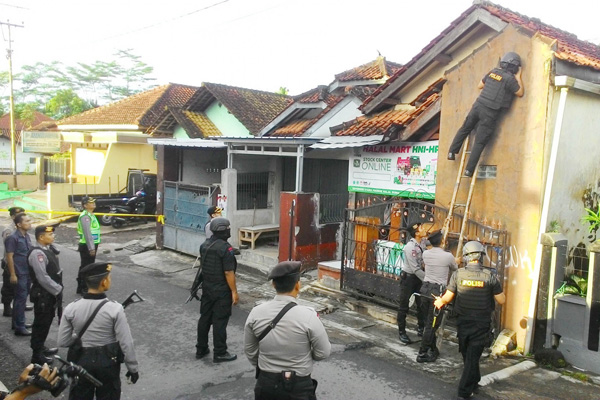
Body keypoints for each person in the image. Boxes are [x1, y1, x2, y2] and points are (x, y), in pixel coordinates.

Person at [244, 261, 331, 400]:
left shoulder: (255, 313)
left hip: (266, 383)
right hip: (299, 386)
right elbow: (323, 352)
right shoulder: (309, 316)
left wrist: (266, 364)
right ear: (298, 285)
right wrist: (304, 357)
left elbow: (250, 350)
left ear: (273, 284)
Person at [434, 241, 505, 400]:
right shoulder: (489, 276)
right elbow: (501, 300)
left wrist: (440, 302)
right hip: (481, 324)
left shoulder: (458, 274)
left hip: (463, 323)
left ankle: (473, 382)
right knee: (472, 356)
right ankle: (465, 390)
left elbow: (448, 297)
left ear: (466, 257)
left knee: (469, 354)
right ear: (481, 256)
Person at [58, 262, 139, 400]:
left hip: (81, 362)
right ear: (104, 282)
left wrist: (78, 336)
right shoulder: (115, 309)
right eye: (109, 277)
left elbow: (63, 341)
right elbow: (126, 342)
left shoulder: (71, 308)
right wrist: (133, 368)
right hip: (108, 362)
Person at [448, 52, 524, 177]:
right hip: (490, 112)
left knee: (465, 128)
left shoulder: (493, 72)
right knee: (479, 142)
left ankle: (452, 152)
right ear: (514, 67)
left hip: (478, 106)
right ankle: (468, 171)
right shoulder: (510, 79)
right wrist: (519, 77)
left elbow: (480, 86)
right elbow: (520, 92)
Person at [196, 217, 239, 362]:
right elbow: (228, 272)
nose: (229, 230)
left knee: (205, 319)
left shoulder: (204, 245)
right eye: (228, 228)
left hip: (207, 288)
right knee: (220, 321)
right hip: (221, 291)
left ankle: (201, 349)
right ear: (224, 230)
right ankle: (220, 352)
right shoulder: (225, 249)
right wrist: (234, 291)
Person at [416, 230, 457, 363]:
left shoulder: (426, 254)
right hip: (437, 293)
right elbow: (455, 268)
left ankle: (433, 349)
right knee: (432, 325)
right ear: (442, 242)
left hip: (425, 290)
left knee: (429, 322)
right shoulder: (448, 256)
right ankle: (422, 353)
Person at [28, 224, 63, 365]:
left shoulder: (47, 249)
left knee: (46, 322)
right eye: (50, 235)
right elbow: (42, 277)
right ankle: (36, 355)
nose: (53, 236)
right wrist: (58, 289)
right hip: (43, 295)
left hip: (49, 294)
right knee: (41, 324)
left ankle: (41, 347)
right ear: (41, 237)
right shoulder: (37, 254)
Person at [397, 221, 426, 344]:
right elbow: (415, 268)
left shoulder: (423, 242)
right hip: (409, 279)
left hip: (419, 278)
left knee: (421, 304)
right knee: (404, 306)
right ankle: (402, 332)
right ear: (417, 233)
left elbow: (437, 239)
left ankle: (421, 328)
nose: (424, 229)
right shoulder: (409, 247)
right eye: (422, 228)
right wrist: (428, 279)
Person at [5, 213, 33, 336]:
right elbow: (9, 257)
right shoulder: (13, 237)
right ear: (19, 224)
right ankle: (19, 326)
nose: (29, 223)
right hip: (19, 272)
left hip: (27, 272)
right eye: (26, 221)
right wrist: (12, 274)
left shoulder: (26, 236)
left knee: (21, 298)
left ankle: (17, 322)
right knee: (20, 299)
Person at [2, 207, 25, 317]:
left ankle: (20, 305)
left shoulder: (22, 229)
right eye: (18, 214)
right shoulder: (9, 231)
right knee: (8, 286)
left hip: (21, 263)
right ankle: (7, 307)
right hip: (10, 263)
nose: (22, 216)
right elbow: (9, 251)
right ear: (12, 217)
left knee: (21, 287)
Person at [76, 197, 101, 294]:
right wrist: (91, 248)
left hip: (92, 244)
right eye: (91, 202)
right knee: (86, 267)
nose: (93, 203)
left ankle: (83, 287)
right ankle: (83, 287)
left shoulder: (91, 215)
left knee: (89, 266)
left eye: (94, 202)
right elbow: (87, 233)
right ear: (85, 205)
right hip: (87, 245)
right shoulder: (85, 216)